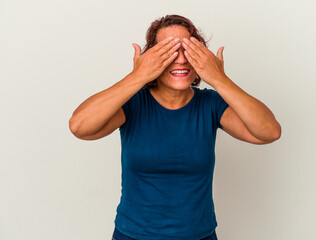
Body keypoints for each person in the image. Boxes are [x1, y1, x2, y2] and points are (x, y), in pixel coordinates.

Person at [69, 14, 281, 240]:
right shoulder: (133, 103)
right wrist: (137, 76)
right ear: (151, 57)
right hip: (133, 235)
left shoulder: (210, 104)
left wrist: (219, 79)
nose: (180, 60)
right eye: (168, 51)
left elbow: (269, 132)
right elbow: (80, 127)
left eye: (188, 51)